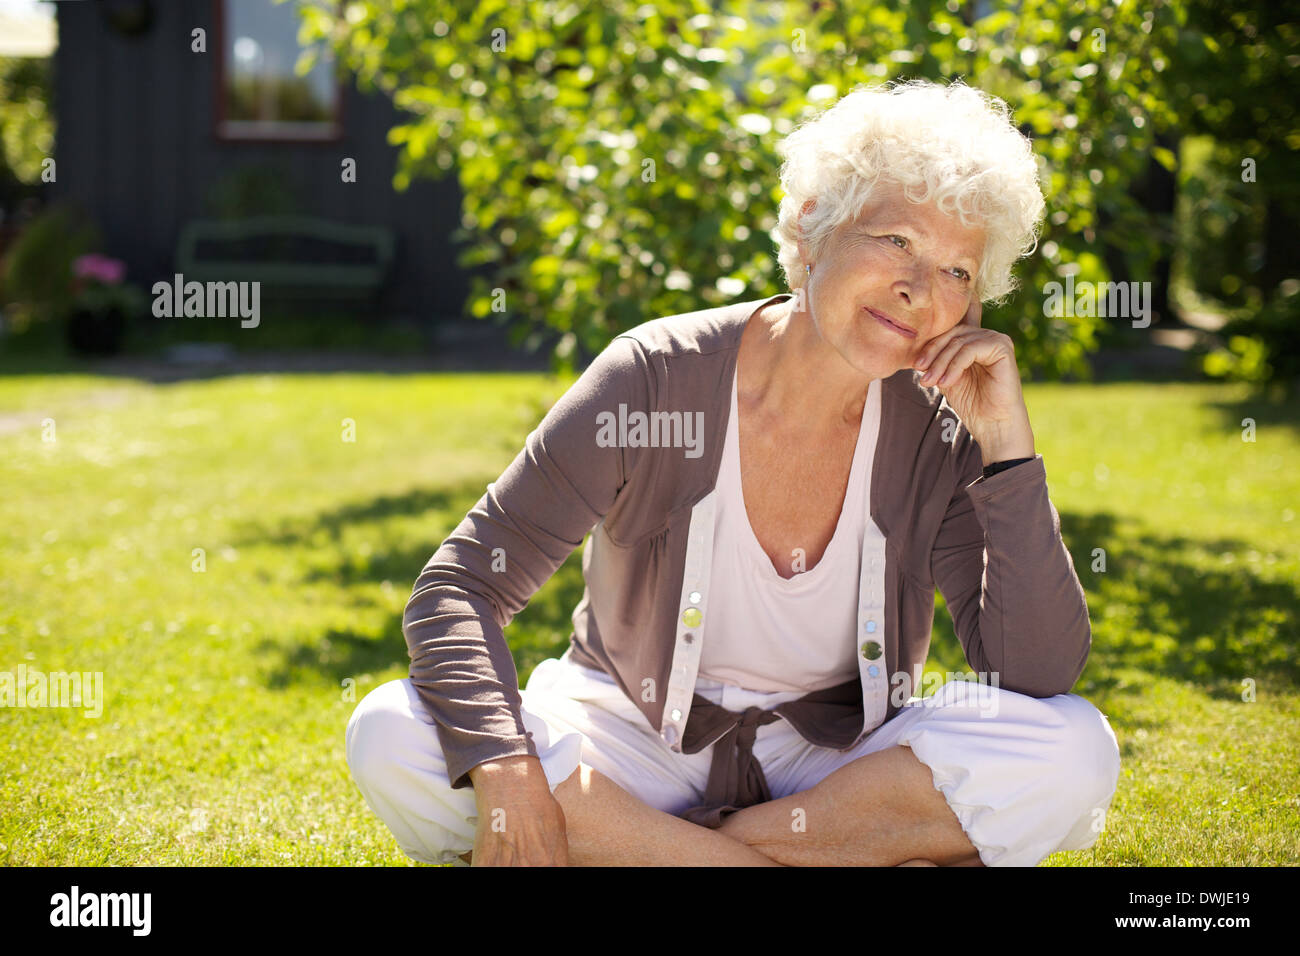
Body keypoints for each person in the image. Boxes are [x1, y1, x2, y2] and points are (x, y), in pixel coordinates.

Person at [345, 77, 1121, 866]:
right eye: (897, 242)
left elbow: (1033, 673)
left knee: (1075, 748)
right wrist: (510, 771)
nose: (921, 291)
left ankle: (658, 854)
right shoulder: (652, 378)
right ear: (814, 226)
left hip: (834, 771)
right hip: (629, 745)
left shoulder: (939, 431)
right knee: (392, 732)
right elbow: (458, 587)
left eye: (959, 272)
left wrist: (1007, 449)